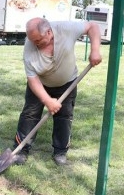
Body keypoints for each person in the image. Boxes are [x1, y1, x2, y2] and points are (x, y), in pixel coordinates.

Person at [13, 17, 102, 166]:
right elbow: (33, 79)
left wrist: (95, 50)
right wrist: (47, 101)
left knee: (64, 117)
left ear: (48, 32)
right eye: (32, 40)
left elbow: (93, 26)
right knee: (30, 114)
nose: (34, 44)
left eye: (38, 40)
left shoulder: (65, 28)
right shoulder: (30, 47)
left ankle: (60, 152)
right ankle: (21, 150)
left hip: (67, 83)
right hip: (40, 84)